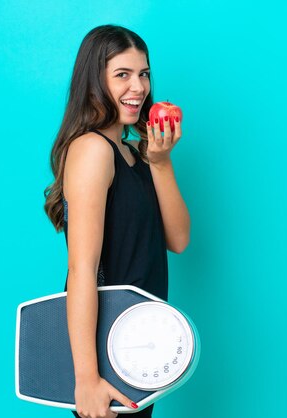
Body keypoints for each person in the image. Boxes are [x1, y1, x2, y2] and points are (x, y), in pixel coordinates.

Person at [44, 24, 190, 418]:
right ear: (95, 83)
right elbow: (82, 270)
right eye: (122, 75)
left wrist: (159, 161)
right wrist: (86, 379)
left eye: (143, 74)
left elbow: (178, 240)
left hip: (141, 344)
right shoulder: (92, 149)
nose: (139, 87)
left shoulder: (134, 154)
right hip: (108, 347)